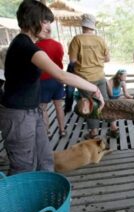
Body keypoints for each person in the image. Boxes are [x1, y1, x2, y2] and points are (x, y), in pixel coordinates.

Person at [0, 0, 104, 175]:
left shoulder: (29, 45)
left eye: (49, 22)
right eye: (45, 22)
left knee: (45, 159)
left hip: (33, 111)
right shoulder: (25, 46)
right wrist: (94, 89)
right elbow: (61, 75)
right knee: (23, 167)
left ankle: (43, 196)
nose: (49, 27)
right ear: (31, 20)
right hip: (18, 115)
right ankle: (18, 201)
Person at [68, 13, 118, 139]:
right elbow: (107, 59)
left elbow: (72, 60)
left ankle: (94, 132)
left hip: (85, 79)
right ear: (93, 26)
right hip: (100, 76)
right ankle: (113, 127)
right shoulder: (100, 39)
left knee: (90, 104)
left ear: (82, 25)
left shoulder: (77, 39)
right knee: (104, 102)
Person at [36, 38, 66, 138]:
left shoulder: (36, 45)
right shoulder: (58, 44)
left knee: (43, 108)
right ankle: (62, 130)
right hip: (57, 78)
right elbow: (60, 58)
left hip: (42, 80)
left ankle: (47, 133)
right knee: (59, 106)